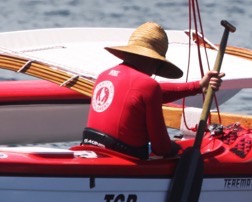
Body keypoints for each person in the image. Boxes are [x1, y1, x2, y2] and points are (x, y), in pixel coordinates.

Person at [81, 22, 223, 159]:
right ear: (152, 60)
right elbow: (162, 148)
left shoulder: (104, 75)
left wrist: (198, 86)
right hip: (123, 157)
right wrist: (183, 148)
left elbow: (145, 93)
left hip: (89, 146)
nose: (156, 71)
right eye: (159, 65)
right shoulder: (147, 86)